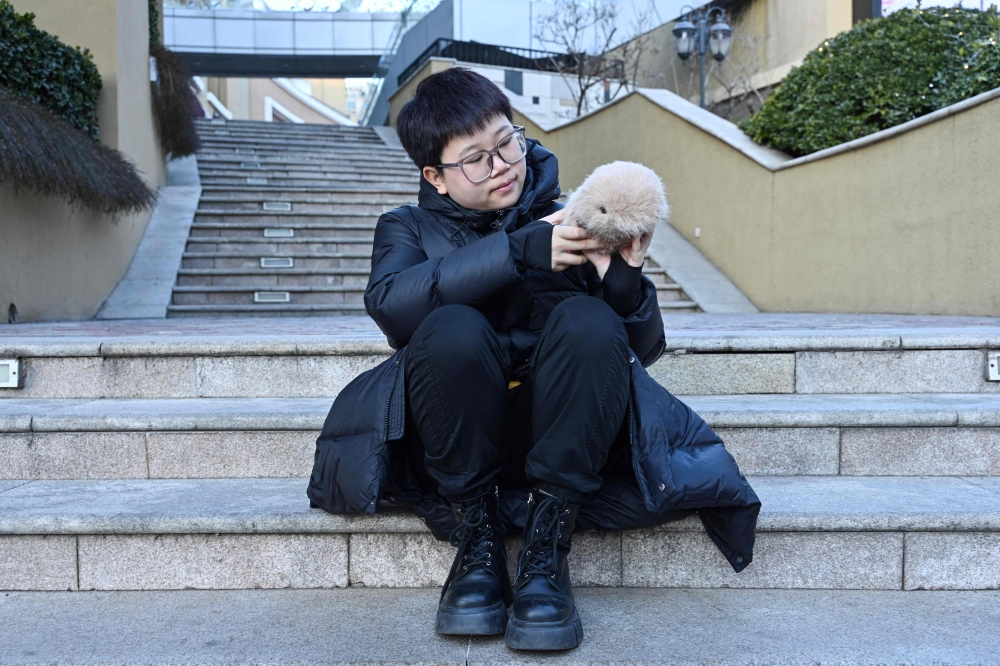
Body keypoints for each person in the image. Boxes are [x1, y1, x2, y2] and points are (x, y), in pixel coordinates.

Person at [307, 68, 760, 651]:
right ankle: (477, 546)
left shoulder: (570, 219)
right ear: (435, 177)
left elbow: (636, 355)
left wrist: (625, 282)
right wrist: (517, 252)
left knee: (590, 321)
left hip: (563, 445)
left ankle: (547, 552)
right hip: (455, 443)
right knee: (449, 329)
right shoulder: (406, 227)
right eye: (476, 159)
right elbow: (393, 307)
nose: (501, 166)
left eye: (507, 143)